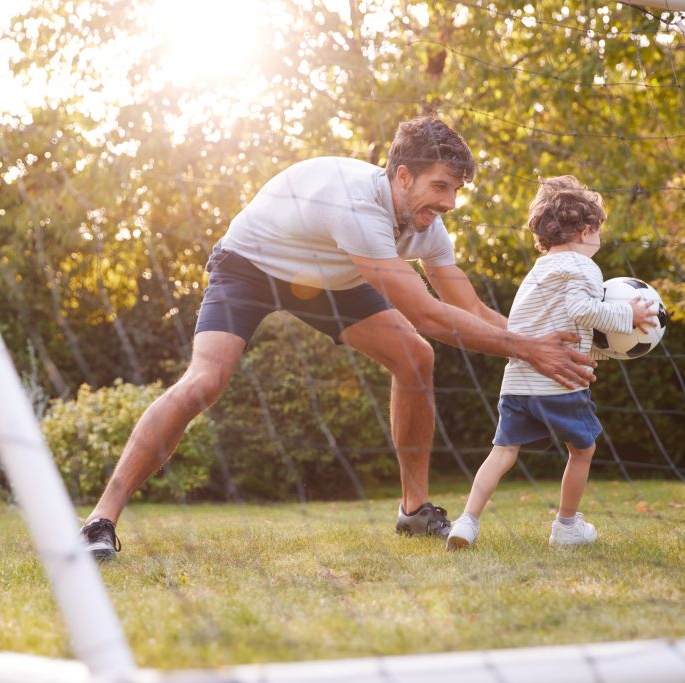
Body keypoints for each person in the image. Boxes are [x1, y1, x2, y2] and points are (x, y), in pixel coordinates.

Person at [80, 117, 597, 560]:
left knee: (415, 358)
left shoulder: (428, 227)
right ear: (402, 175)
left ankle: (413, 510)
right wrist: (528, 350)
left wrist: (542, 341)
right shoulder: (356, 206)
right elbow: (428, 315)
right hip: (252, 265)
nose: (451, 202)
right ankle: (101, 520)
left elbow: (471, 308)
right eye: (441, 186)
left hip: (333, 279)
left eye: (457, 189)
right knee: (204, 383)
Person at [445, 175, 657, 550]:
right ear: (587, 229)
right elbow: (582, 310)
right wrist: (628, 314)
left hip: (517, 383)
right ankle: (566, 525)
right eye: (599, 232)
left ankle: (467, 520)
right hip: (558, 384)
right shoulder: (584, 267)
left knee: (503, 451)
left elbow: (562, 327)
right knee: (583, 450)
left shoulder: (538, 270)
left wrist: (600, 351)